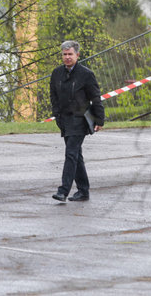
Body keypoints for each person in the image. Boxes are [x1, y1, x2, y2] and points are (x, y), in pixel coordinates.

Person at [50, 40, 104, 202]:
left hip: (80, 119)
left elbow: (96, 98)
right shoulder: (57, 73)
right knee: (76, 156)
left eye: (70, 54)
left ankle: (63, 191)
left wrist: (99, 119)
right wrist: (57, 115)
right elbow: (53, 96)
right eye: (64, 54)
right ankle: (83, 191)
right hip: (64, 120)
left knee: (71, 154)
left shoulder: (86, 74)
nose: (67, 57)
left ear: (77, 55)